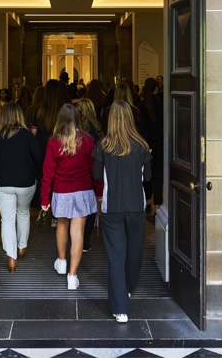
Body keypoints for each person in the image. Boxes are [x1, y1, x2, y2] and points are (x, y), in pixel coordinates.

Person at [92, 100, 152, 324]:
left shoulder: (103, 145)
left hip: (113, 206)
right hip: (137, 205)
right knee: (135, 251)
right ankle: (129, 287)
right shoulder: (141, 145)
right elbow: (148, 178)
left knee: (116, 255)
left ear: (110, 119)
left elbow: (97, 175)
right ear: (130, 119)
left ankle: (120, 309)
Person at [40, 103, 101, 290]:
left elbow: (47, 171)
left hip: (61, 191)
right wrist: (99, 191)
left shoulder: (53, 142)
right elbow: (95, 169)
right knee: (78, 233)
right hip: (83, 189)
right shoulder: (88, 140)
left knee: (62, 225)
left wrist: (44, 198)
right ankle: (72, 277)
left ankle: (61, 262)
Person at [0, 103, 43, 273]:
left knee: (7, 219)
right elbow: (38, 157)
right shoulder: (26, 135)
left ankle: (12, 258)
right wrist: (35, 175)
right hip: (26, 183)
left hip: (2, 184)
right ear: (20, 116)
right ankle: (22, 247)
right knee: (23, 212)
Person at [29, 79, 68, 226]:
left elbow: (33, 134)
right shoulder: (64, 110)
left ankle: (44, 207)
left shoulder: (37, 110)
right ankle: (56, 216)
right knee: (58, 181)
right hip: (60, 151)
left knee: (43, 180)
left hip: (41, 151)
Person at [75, 98, 103, 253]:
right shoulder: (97, 128)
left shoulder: (74, 128)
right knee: (91, 207)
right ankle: (85, 240)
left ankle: (77, 237)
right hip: (92, 170)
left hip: (78, 170)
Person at [140, 77, 164, 210]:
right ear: (156, 88)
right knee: (158, 175)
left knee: (146, 174)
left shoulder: (142, 104)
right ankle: (157, 205)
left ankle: (147, 202)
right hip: (159, 142)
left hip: (146, 143)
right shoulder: (160, 104)